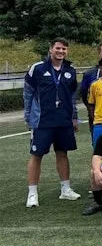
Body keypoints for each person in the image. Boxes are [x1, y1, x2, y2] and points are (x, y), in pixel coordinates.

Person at [24, 37, 81, 208]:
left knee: (62, 153)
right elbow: (28, 93)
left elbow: (72, 97)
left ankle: (66, 189)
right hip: (42, 120)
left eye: (64, 49)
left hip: (63, 120)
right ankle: (32, 193)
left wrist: (74, 117)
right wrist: (28, 117)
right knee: (36, 155)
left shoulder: (70, 70)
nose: (61, 51)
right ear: (51, 49)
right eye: (58, 48)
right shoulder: (38, 69)